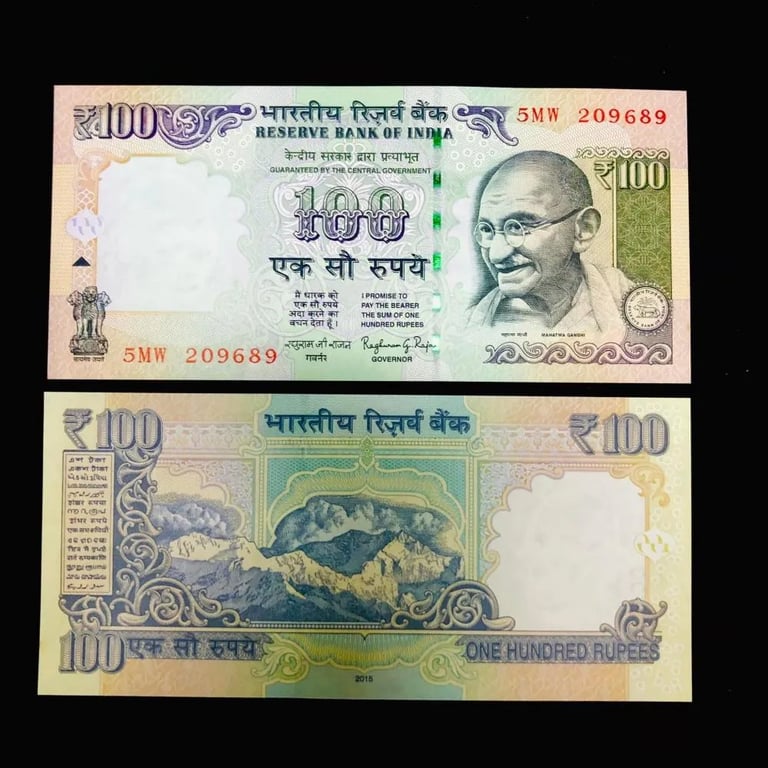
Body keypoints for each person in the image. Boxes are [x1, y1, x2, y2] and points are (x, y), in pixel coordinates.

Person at [466, 150, 633, 339]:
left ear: (583, 230)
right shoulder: (468, 326)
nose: (496, 254)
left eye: (520, 226)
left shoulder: (635, 310)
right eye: (487, 229)